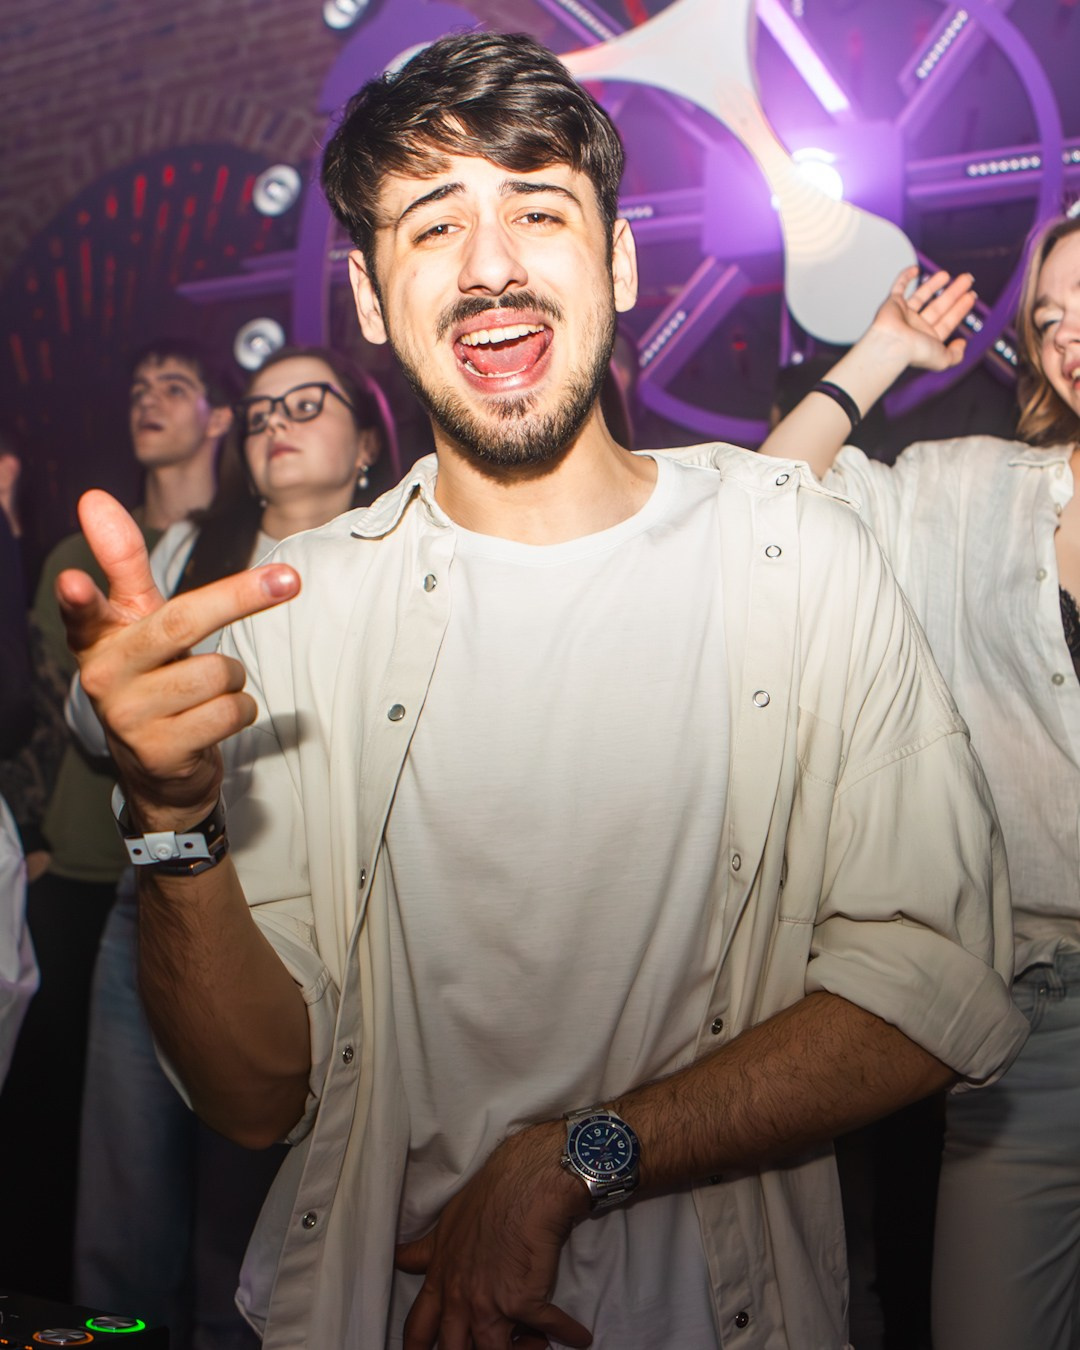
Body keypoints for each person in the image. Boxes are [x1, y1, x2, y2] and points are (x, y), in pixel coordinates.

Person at [57, 32, 1027, 1350]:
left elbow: (929, 977)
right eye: (432, 223)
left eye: (538, 207)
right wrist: (174, 822)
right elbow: (250, 1086)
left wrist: (583, 1154)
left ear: (619, 263)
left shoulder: (793, 548)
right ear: (370, 297)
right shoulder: (304, 605)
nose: (490, 264)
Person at [760, 219, 1080, 1350]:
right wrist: (884, 349)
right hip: (1033, 1027)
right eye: (1050, 317)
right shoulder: (970, 495)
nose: (1068, 333)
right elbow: (769, 509)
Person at [71, 344, 392, 1348]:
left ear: (368, 441)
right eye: (257, 412)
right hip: (158, 900)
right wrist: (112, 698)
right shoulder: (191, 558)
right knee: (123, 1210)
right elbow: (93, 733)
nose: (275, 423)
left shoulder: (404, 566)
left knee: (249, 1218)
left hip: (324, 922)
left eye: (306, 402)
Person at [0, 337, 233, 1300]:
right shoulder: (79, 556)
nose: (150, 401)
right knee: (86, 1141)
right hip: (91, 868)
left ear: (216, 418)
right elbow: (43, 710)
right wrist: (36, 837)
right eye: (138, 387)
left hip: (211, 875)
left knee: (221, 1176)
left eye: (175, 387)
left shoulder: (243, 548)